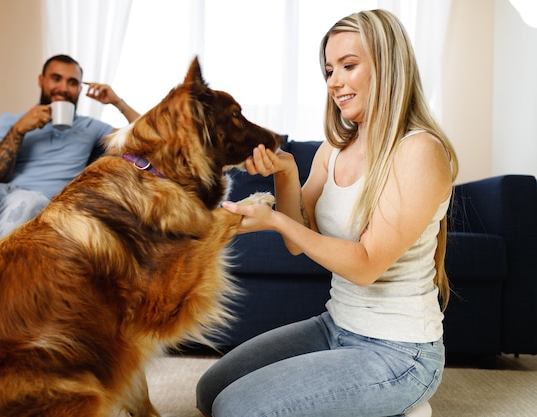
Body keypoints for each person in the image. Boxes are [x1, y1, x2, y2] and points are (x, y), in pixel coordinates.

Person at [196, 9, 458, 417]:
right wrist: (286, 172)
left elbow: (366, 266)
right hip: (336, 326)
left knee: (235, 409)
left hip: (400, 354)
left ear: (388, 67)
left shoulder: (419, 151)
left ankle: (400, 401)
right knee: (209, 391)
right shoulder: (333, 150)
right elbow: (299, 243)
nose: (334, 82)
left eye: (348, 66)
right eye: (329, 69)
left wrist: (274, 218)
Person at [0, 54, 140, 310]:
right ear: (41, 80)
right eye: (56, 78)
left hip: (39, 199)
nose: (63, 88)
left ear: (80, 89)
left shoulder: (92, 128)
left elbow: (151, 137)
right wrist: (19, 129)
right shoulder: (11, 120)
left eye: (72, 82)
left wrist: (117, 102)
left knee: (26, 200)